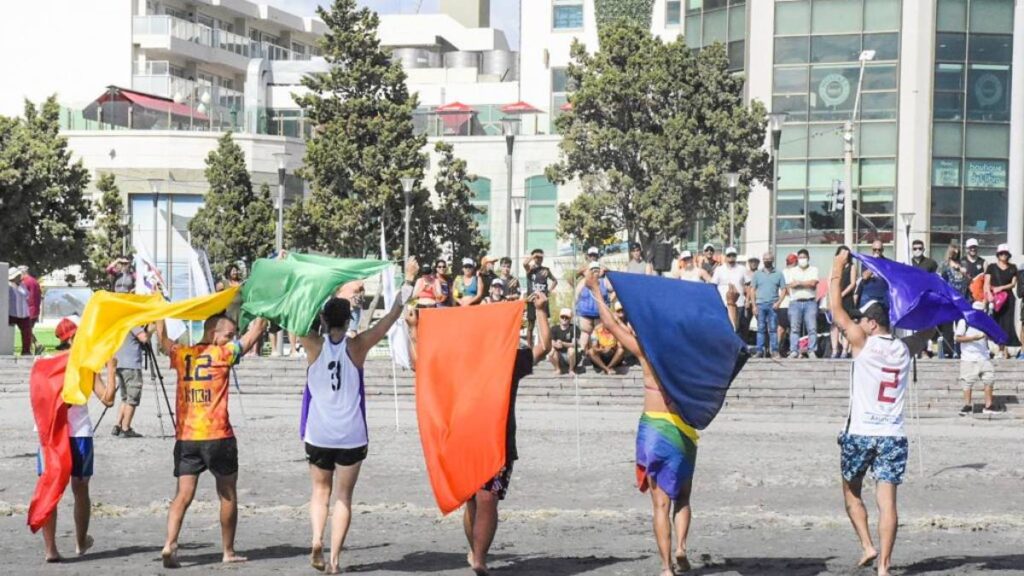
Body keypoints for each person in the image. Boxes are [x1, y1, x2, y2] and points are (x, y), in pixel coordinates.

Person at [407, 291, 552, 576]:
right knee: (471, 500)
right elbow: (421, 365)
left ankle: (480, 559)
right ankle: (475, 549)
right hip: (462, 439)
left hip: (497, 442)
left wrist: (543, 311)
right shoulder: (458, 357)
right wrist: (413, 329)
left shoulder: (509, 359)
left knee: (487, 499)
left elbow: (544, 347)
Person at [298, 258, 417, 574]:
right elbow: (392, 315)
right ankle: (335, 560)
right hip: (350, 434)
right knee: (343, 498)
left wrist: (298, 277)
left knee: (319, 492)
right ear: (348, 316)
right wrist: (408, 280)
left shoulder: (311, 344)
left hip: (318, 433)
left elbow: (290, 314)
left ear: (323, 318)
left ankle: (315, 540)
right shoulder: (359, 346)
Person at [583, 270, 697, 575]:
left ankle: (665, 568)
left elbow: (609, 324)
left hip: (654, 430)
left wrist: (596, 288)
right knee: (682, 496)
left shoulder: (646, 351)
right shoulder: (689, 355)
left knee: (660, 504)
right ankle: (682, 547)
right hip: (682, 430)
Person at [154, 312, 268, 568]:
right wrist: (264, 310)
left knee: (182, 495)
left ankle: (169, 543)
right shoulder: (223, 354)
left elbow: (162, 341)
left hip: (186, 437)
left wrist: (158, 313)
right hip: (218, 436)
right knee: (227, 495)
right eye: (227, 335)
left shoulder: (183, 354)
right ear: (213, 333)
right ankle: (228, 551)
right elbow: (254, 335)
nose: (231, 339)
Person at [828, 249, 916, 576]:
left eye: (862, 318)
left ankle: (867, 544)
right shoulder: (907, 348)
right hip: (892, 434)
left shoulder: (862, 342)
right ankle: (884, 566)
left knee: (851, 492)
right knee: (888, 503)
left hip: (862, 431)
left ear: (872, 321)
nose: (859, 322)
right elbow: (927, 331)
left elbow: (835, 309)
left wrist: (837, 268)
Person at [37, 317, 116, 562]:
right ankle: (81, 543)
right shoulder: (86, 365)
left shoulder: (45, 363)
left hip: (50, 434)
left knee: (51, 489)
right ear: (72, 338)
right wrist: (111, 368)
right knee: (80, 490)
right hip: (79, 434)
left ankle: (50, 550)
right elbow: (109, 399)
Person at [955, 302, 998, 416]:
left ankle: (988, 406)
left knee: (989, 379)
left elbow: (992, 336)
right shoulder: (964, 321)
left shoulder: (985, 323)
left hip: (984, 356)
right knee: (967, 382)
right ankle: (967, 406)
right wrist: (973, 338)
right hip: (968, 357)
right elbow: (958, 338)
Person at [110, 325, 149, 438]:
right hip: (131, 365)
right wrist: (150, 330)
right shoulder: (133, 323)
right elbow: (144, 338)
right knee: (132, 397)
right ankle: (126, 428)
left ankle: (117, 425)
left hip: (120, 364)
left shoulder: (122, 323)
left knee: (125, 397)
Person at [983, 244, 1019, 358]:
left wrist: (1001, 288)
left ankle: (1004, 349)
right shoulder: (992, 267)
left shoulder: (1013, 267)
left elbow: (1013, 284)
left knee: (1007, 324)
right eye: (1001, 253)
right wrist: (988, 295)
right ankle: (998, 348)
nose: (1004, 255)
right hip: (995, 299)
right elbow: (987, 283)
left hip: (1008, 298)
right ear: (998, 255)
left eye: (1006, 253)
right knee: (996, 322)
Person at [750, 252, 787, 358]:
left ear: (773, 260)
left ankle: (774, 351)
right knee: (760, 329)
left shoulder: (779, 273)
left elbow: (784, 289)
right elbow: (752, 290)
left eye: (769, 259)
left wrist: (779, 302)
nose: (767, 260)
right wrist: (754, 305)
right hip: (760, 305)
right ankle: (760, 351)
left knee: (773, 329)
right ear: (762, 260)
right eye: (765, 259)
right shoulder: (757, 274)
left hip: (773, 305)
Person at [786, 249, 819, 358]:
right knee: (794, 328)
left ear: (808, 258)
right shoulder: (792, 270)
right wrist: (807, 283)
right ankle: (794, 350)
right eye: (800, 257)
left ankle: (811, 350)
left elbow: (813, 283)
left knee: (812, 328)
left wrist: (799, 283)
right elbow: (791, 285)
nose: (802, 259)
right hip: (795, 302)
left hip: (810, 302)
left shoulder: (814, 269)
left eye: (804, 257)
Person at [938, 245, 969, 358]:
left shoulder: (963, 264)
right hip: (948, 299)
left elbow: (968, 278)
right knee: (948, 327)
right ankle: (948, 351)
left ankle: (961, 350)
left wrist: (961, 269)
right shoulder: (944, 265)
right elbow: (940, 280)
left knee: (961, 325)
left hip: (961, 298)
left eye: (957, 252)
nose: (955, 254)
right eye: (953, 252)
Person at [575, 262, 611, 353]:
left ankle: (598, 353)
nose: (595, 271)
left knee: (599, 333)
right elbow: (576, 294)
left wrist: (609, 272)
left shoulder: (604, 281)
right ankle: (582, 352)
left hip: (600, 313)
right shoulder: (583, 281)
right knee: (585, 333)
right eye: (593, 269)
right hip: (585, 313)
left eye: (597, 269)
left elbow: (614, 288)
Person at [524, 248, 557, 347]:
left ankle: (542, 346)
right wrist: (533, 256)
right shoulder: (530, 269)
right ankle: (530, 347)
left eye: (540, 257)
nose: (539, 259)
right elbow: (524, 264)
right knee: (530, 325)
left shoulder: (546, 270)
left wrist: (549, 291)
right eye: (537, 257)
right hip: (532, 300)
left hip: (543, 301)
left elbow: (555, 281)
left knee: (543, 324)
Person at [711, 247, 748, 334]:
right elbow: (713, 286)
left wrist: (748, 300)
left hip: (739, 303)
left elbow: (748, 285)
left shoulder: (742, 269)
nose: (731, 258)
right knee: (723, 327)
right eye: (729, 256)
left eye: (733, 255)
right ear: (725, 257)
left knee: (737, 328)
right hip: (723, 303)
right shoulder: (719, 269)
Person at [831, 245, 857, 359]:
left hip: (846, 298)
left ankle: (845, 350)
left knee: (846, 323)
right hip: (835, 297)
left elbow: (853, 284)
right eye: (841, 253)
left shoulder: (851, 266)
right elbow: (830, 281)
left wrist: (842, 294)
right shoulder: (834, 267)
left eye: (846, 254)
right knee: (835, 324)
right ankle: (834, 349)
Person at [858, 241, 890, 307]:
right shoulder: (866, 261)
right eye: (874, 249)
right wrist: (874, 263)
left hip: (883, 295)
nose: (877, 251)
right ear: (871, 250)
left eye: (879, 250)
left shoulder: (887, 262)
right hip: (869, 295)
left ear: (883, 250)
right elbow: (865, 276)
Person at [549, 308, 580, 375]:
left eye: (566, 317)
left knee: (571, 350)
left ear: (570, 318)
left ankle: (571, 369)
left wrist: (563, 343)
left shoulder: (574, 328)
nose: (564, 319)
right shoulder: (554, 328)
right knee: (551, 351)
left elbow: (574, 344)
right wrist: (556, 345)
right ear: (559, 318)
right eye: (562, 317)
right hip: (559, 355)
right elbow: (552, 342)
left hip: (572, 357)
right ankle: (557, 369)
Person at [9, 268, 32, 356]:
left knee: (27, 333)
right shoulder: (9, 286)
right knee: (8, 333)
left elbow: (26, 295)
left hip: (24, 314)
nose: (20, 277)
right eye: (18, 276)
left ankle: (26, 351)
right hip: (12, 314)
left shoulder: (22, 285)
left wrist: (19, 286)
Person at [19, 266, 41, 351]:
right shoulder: (34, 281)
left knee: (26, 331)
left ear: (22, 273)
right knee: (27, 330)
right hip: (35, 309)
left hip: (28, 310)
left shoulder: (25, 282)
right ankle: (36, 346)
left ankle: (33, 347)